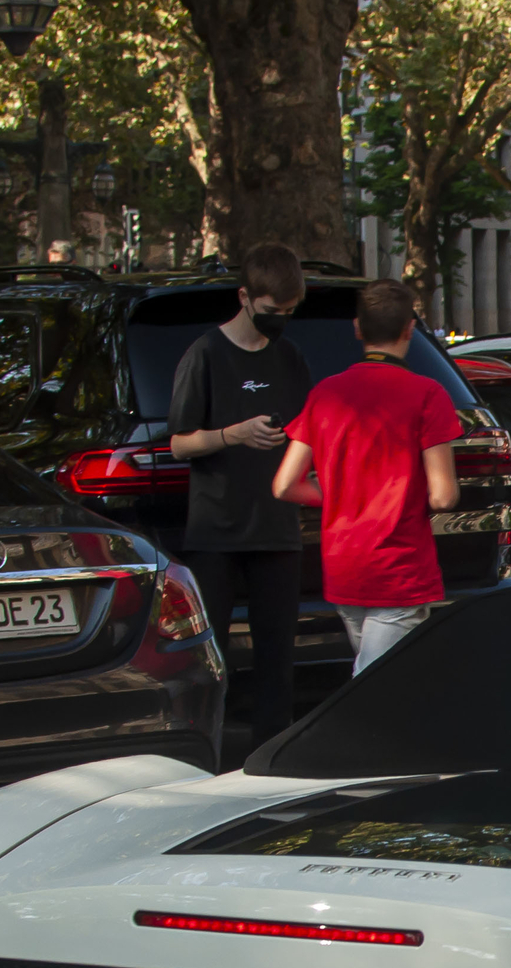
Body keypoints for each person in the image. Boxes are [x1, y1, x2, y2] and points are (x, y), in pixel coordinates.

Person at [272, 281, 462, 673]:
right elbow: (443, 496)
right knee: (376, 684)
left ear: (358, 328)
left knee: (379, 673)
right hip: (400, 566)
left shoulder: (326, 393)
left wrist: (339, 495)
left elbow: (285, 484)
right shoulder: (427, 394)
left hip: (344, 562)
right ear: (410, 328)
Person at [167, 242, 312, 745]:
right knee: (213, 656)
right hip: (217, 530)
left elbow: (307, 432)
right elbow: (180, 442)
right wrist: (233, 434)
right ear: (245, 297)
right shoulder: (206, 354)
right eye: (273, 312)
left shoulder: (290, 357)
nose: (281, 321)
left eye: (290, 313)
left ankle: (272, 754)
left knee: (279, 657)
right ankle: (208, 750)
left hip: (277, 529)